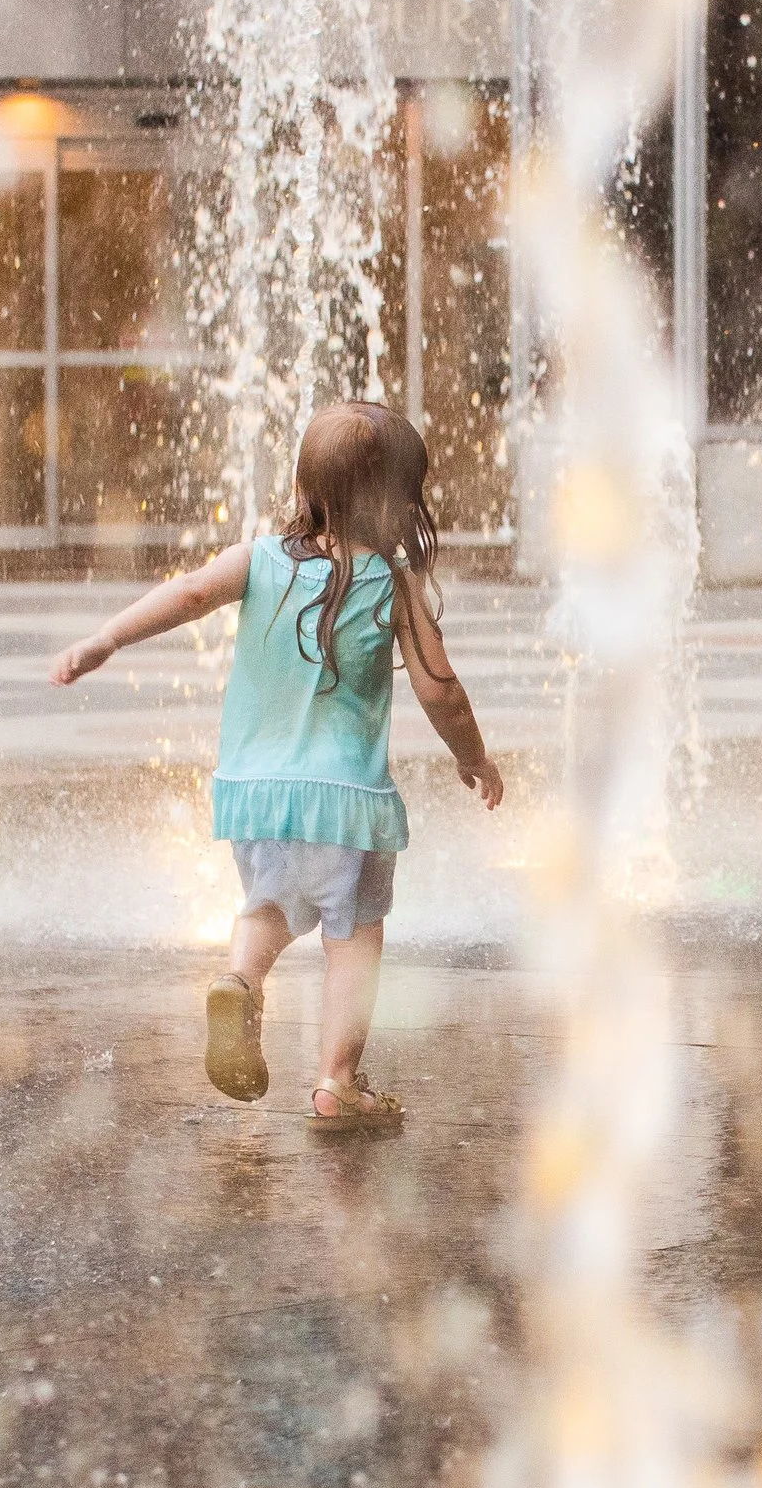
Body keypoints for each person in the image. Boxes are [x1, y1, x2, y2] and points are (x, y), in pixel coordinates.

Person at [49, 402, 503, 1134]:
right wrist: (472, 755)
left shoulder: (259, 559)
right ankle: (337, 1081)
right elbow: (438, 687)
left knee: (265, 908)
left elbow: (189, 592)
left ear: (308, 484)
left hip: (255, 796)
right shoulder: (391, 583)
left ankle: (239, 982)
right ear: (398, 499)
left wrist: (107, 638)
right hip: (345, 804)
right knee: (352, 937)